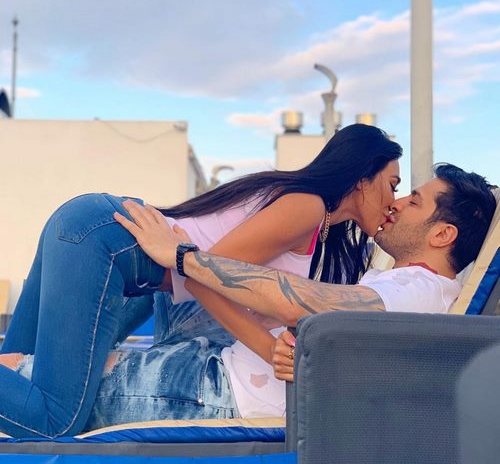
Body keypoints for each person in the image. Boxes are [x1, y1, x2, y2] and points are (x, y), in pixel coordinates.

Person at [0, 124, 402, 438]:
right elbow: (200, 277)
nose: (394, 202)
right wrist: (271, 352)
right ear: (362, 177)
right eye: (393, 185)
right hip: (104, 243)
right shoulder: (307, 206)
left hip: (95, 233)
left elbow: (198, 280)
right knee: (56, 419)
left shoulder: (309, 216)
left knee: (16, 384)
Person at [67, 162, 493, 427]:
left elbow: (305, 302)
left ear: (442, 234)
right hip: (221, 372)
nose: (396, 203)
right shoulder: (404, 287)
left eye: (414, 202)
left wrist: (183, 257)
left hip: (216, 393)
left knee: (63, 382)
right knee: (93, 348)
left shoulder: (417, 291)